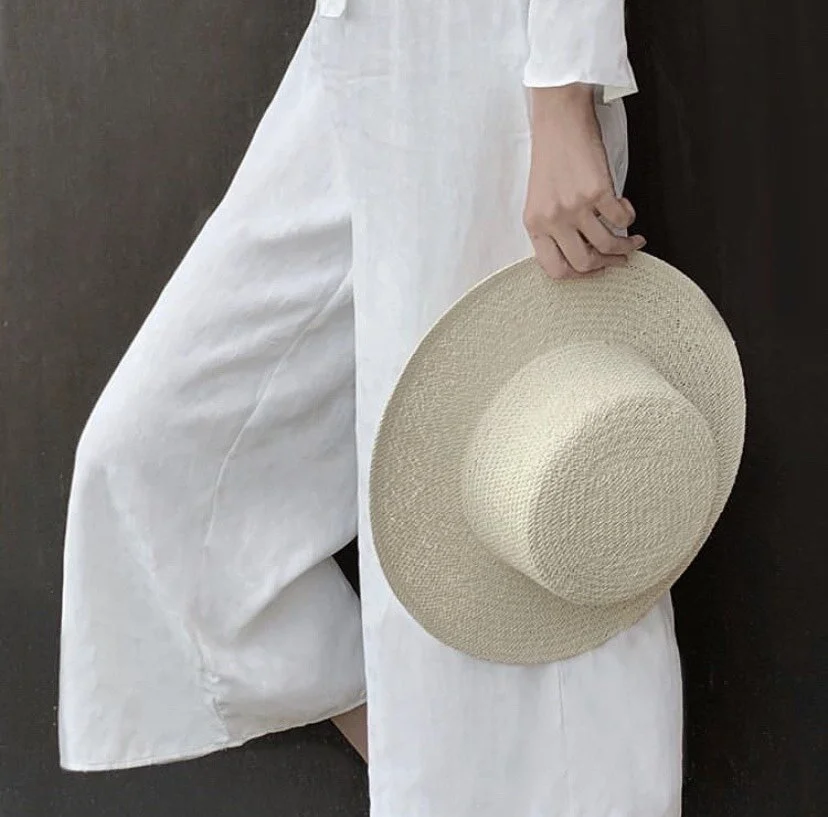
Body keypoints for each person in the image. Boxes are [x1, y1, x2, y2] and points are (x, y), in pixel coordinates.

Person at [58, 2, 683, 815]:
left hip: (491, 65)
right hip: (354, 48)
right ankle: (423, 767)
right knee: (147, 451)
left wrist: (564, 90)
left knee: (516, 505)